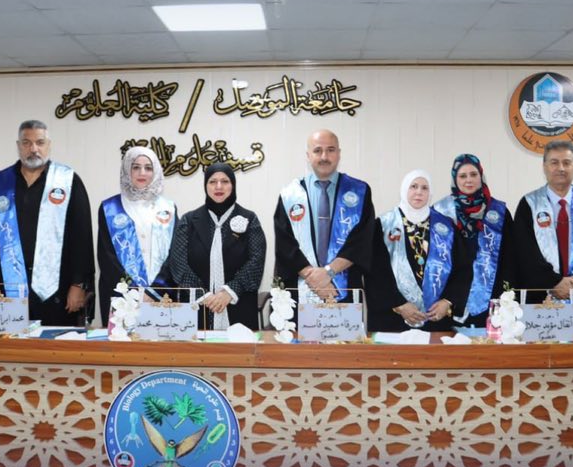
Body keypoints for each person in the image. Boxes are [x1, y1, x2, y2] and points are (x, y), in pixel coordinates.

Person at [0, 120, 94, 326]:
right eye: (26, 143)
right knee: (12, 340)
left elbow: (82, 236)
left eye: (40, 142)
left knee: (56, 342)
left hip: (58, 290)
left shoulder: (67, 180)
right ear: (18, 146)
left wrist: (78, 284)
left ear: (49, 145)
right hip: (9, 288)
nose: (33, 149)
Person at [513, 140, 573, 331]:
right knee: (543, 345)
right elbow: (524, 251)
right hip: (541, 296)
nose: (561, 168)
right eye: (554, 162)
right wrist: (554, 282)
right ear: (544, 166)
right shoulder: (529, 204)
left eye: (567, 162)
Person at [274, 129, 374, 304]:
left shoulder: (359, 191)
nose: (324, 157)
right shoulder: (290, 195)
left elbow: (362, 240)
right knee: (301, 325)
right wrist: (315, 279)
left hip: (344, 287)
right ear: (308, 155)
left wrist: (329, 272)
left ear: (339, 153)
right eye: (317, 150)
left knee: (345, 324)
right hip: (300, 288)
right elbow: (285, 244)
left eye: (330, 150)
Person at [169, 163, 267, 330]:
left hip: (239, 304)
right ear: (205, 186)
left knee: (239, 347)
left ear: (233, 185)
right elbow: (178, 263)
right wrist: (203, 295)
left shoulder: (250, 219)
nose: (219, 186)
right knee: (198, 346)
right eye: (213, 181)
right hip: (198, 307)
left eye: (225, 181)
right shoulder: (189, 221)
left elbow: (256, 260)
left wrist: (229, 292)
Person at [369, 170, 469, 332]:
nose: (419, 192)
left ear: (430, 193)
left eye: (424, 188)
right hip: (393, 318)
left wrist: (447, 301)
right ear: (404, 190)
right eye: (413, 186)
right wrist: (399, 304)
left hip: (435, 318)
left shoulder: (446, 227)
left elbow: (463, 269)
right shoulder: (384, 224)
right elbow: (374, 271)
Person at [97, 146, 176, 326]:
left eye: (148, 168)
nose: (142, 173)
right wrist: (134, 292)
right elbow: (107, 256)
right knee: (122, 342)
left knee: (161, 340)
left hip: (161, 294)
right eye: (136, 167)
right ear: (127, 170)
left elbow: (175, 254)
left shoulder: (169, 208)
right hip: (122, 295)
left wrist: (155, 290)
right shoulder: (109, 208)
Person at [433, 153, 515, 327]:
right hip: (449, 299)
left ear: (481, 176)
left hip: (491, 297)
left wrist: (506, 297)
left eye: (473, 174)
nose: (468, 180)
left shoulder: (499, 212)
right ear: (455, 179)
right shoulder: (440, 212)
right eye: (462, 176)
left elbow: (511, 257)